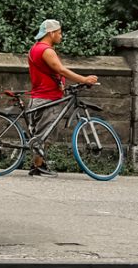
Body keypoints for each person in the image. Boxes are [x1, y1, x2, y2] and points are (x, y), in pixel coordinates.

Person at [25, 19, 99, 176]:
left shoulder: (34, 49)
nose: (61, 36)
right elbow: (61, 70)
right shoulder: (47, 50)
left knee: (41, 135)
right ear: (51, 33)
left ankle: (39, 164)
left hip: (38, 97)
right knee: (46, 135)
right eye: (59, 33)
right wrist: (84, 79)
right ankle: (38, 168)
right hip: (48, 98)